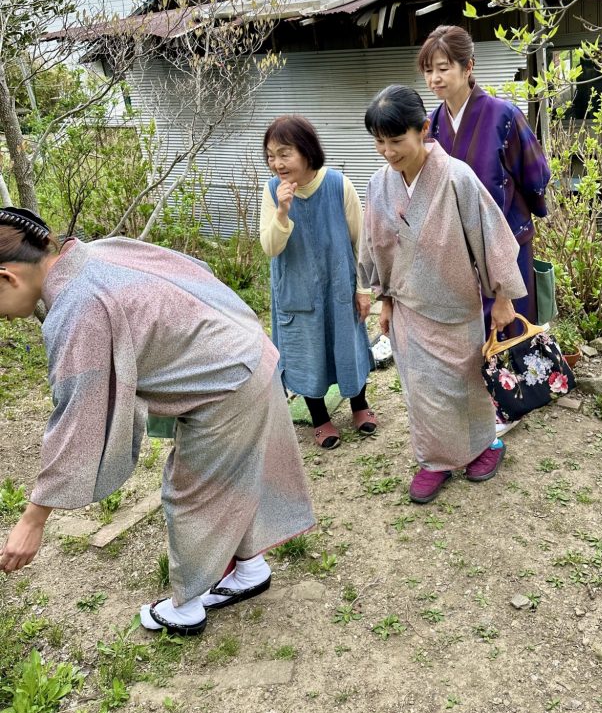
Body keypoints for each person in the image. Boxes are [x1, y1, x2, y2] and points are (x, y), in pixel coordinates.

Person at [0, 208, 314, 636]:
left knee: (190, 493)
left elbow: (78, 418)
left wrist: (33, 519)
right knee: (229, 479)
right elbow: (192, 268)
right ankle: (249, 569)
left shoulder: (78, 309)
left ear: (7, 276)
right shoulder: (90, 253)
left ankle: (186, 606)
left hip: (228, 383)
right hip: (242, 352)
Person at [358, 85, 526, 504]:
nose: (387, 151)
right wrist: (385, 299)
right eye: (379, 141)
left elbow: (491, 238)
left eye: (397, 140)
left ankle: (486, 446)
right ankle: (434, 460)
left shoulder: (457, 177)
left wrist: (503, 297)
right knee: (421, 391)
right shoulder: (380, 184)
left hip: (455, 304)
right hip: (408, 306)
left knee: (464, 385)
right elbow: (376, 244)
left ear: (424, 129)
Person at [422, 25, 550, 328]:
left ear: (468, 67)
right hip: (457, 249)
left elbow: (536, 175)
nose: (434, 78)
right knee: (468, 336)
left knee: (512, 332)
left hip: (506, 242)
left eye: (443, 68)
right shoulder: (430, 125)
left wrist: (519, 210)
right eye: (428, 70)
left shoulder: (504, 115)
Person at [260, 115, 375, 450]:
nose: (277, 163)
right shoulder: (271, 192)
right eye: (270, 155)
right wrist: (282, 212)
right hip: (296, 293)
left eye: (284, 153)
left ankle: (359, 405)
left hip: (339, 287)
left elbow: (361, 242)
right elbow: (270, 247)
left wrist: (363, 289)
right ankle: (321, 419)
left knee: (348, 346)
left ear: (307, 151)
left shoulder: (339, 185)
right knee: (305, 353)